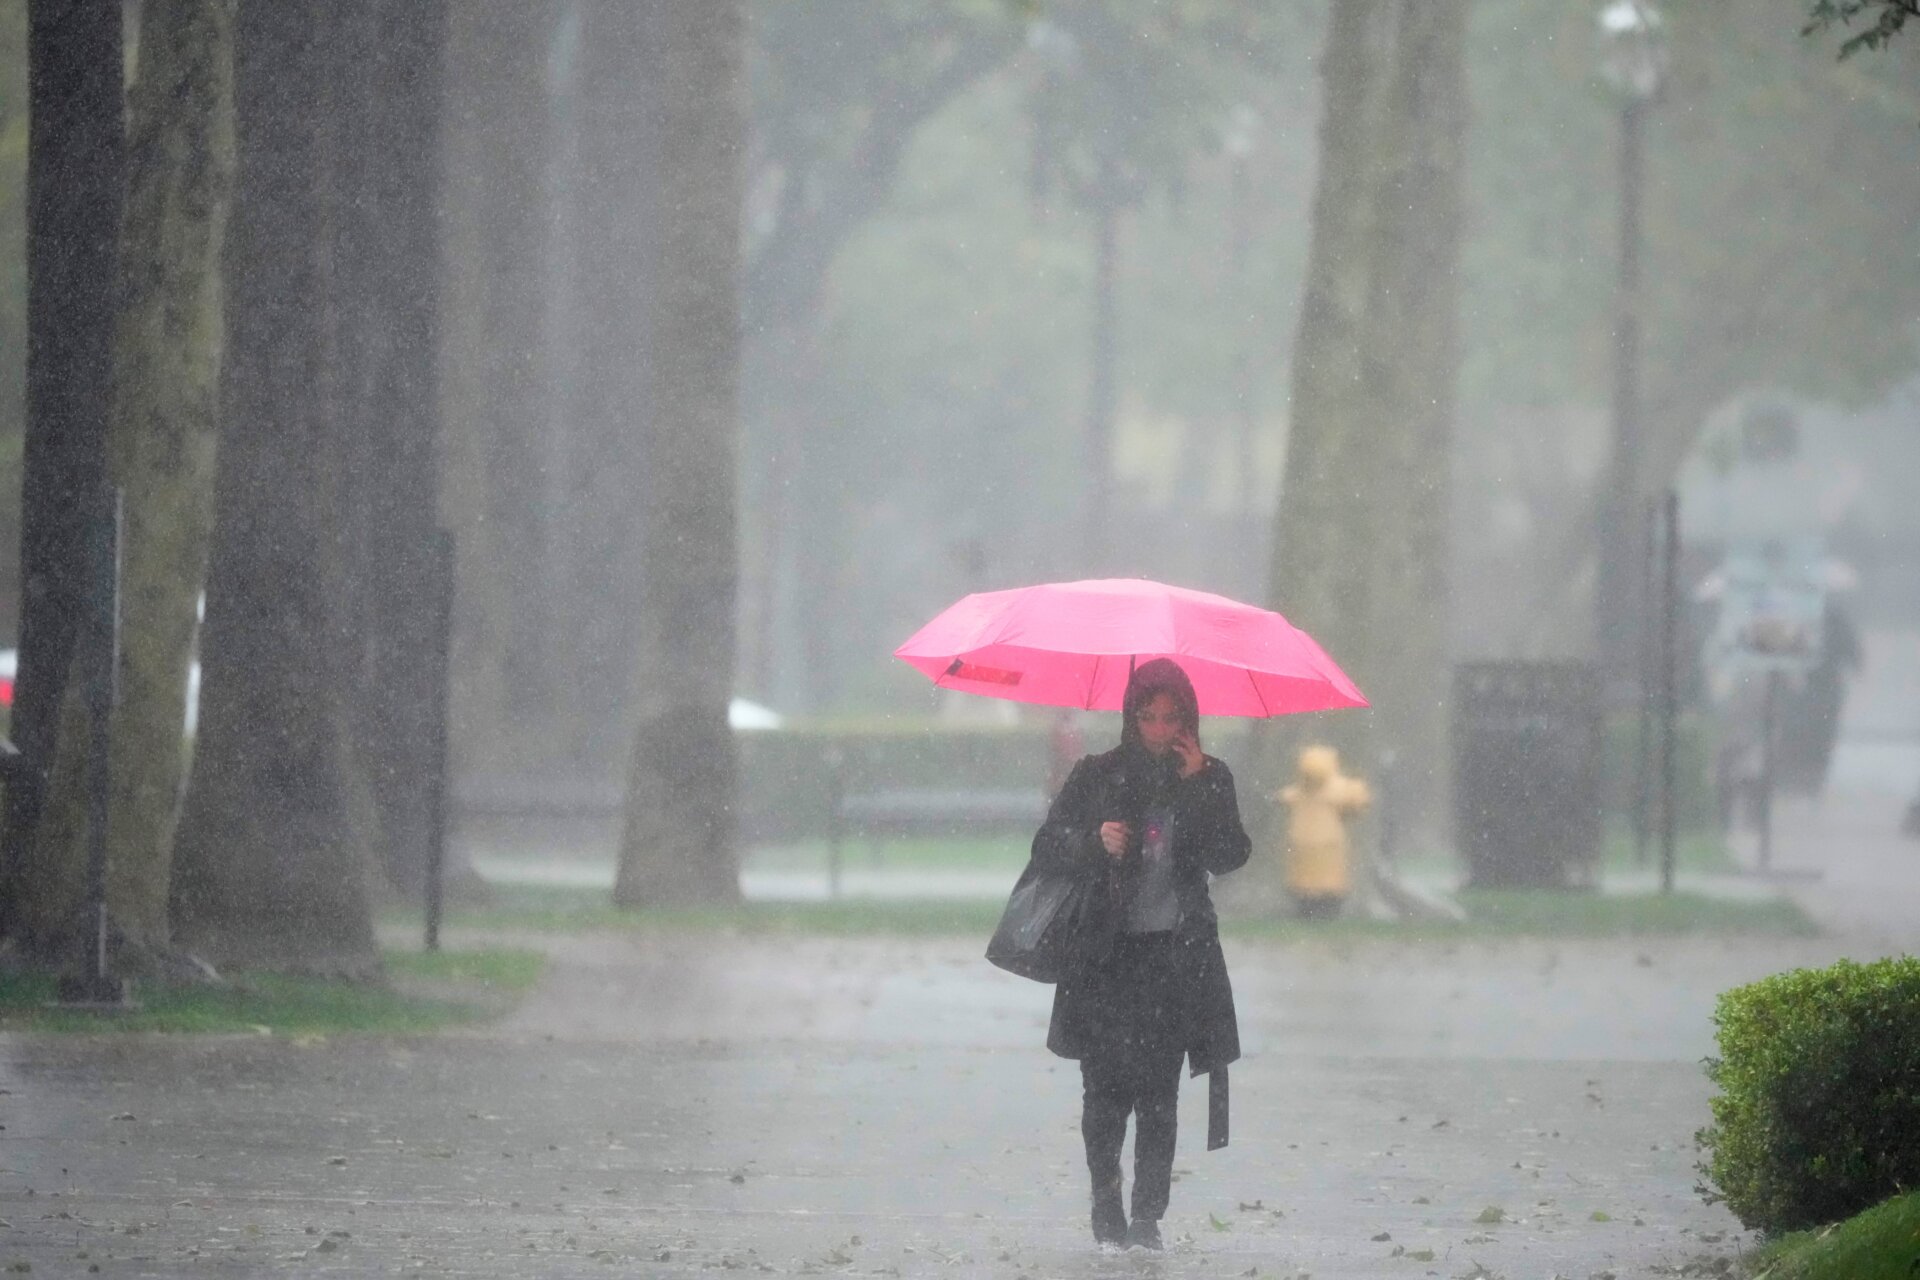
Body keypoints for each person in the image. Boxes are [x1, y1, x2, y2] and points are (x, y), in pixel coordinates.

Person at [1028, 658, 1251, 1251]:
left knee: (1159, 1093)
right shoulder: (1098, 774)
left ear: (1187, 718)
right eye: (1147, 716)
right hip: (1104, 959)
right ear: (1131, 716)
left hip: (1175, 960)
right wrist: (1092, 839)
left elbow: (1231, 854)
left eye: (1169, 717)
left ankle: (1148, 1214)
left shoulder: (1208, 775)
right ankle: (1106, 1196)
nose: (1157, 728)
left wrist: (1201, 780)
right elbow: (1047, 845)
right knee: (1103, 1092)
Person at [1278, 744, 1370, 919]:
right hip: (1328, 844)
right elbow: (1356, 801)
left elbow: (1284, 797)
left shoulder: (1301, 791)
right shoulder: (1338, 788)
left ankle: (1310, 909)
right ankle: (1323, 910)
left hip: (1304, 843)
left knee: (1307, 882)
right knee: (1327, 882)